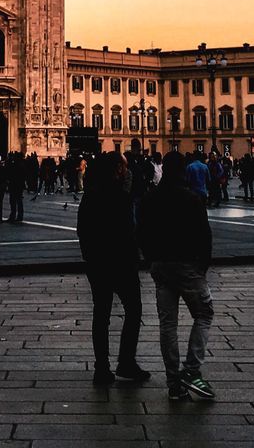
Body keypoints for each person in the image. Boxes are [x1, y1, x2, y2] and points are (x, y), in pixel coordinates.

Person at [138, 150, 215, 401]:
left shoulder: (149, 198)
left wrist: (151, 258)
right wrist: (201, 266)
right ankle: (191, 371)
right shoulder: (191, 199)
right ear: (182, 171)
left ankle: (174, 382)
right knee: (204, 313)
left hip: (160, 266)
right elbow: (204, 236)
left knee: (167, 325)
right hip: (186, 265)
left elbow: (142, 231)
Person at [77, 151, 149, 386]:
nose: (128, 172)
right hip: (121, 263)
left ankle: (102, 368)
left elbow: (83, 230)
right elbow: (129, 229)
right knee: (134, 310)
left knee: (101, 315)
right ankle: (126, 361)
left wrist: (90, 257)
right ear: (117, 169)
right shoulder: (119, 196)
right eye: (125, 168)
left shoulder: (90, 194)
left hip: (98, 264)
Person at [6, 152, 26, 224]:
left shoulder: (15, 165)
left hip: (14, 185)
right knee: (19, 201)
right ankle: (20, 216)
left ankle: (13, 216)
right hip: (19, 185)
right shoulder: (22, 165)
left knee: (13, 201)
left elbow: (9, 171)